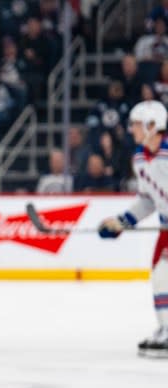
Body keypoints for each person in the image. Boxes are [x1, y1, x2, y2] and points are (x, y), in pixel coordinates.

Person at [97, 100, 168, 358]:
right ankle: (165, 329)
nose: (132, 129)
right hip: (165, 228)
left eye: (137, 124)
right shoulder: (140, 158)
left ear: (152, 125)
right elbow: (149, 200)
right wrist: (122, 222)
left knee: (164, 273)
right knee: (160, 275)